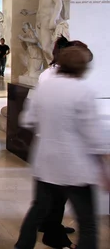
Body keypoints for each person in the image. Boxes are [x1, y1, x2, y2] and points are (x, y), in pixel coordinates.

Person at [14, 46, 110, 249]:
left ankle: (22, 246)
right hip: (77, 168)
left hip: (46, 162)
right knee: (88, 222)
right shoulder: (83, 91)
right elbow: (94, 135)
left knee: (37, 210)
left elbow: (27, 119)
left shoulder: (44, 88)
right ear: (83, 68)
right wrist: (105, 165)